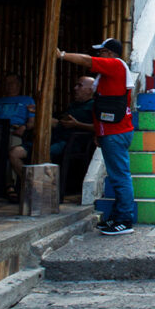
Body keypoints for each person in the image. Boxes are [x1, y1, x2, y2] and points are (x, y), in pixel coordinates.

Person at [54, 37, 135, 235]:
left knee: (120, 176)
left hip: (116, 133)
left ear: (110, 54)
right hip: (111, 133)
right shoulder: (107, 76)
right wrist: (99, 133)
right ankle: (118, 217)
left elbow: (87, 60)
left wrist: (62, 55)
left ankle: (125, 219)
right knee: (117, 176)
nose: (99, 55)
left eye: (102, 52)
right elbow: (101, 106)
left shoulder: (115, 65)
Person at [8, 76, 95, 188]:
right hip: (53, 140)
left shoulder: (94, 106)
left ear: (90, 90)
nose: (75, 88)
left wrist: (77, 124)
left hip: (69, 143)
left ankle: (43, 189)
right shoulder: (73, 105)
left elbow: (97, 128)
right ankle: (33, 187)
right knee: (14, 153)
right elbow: (58, 120)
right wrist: (39, 112)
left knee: (42, 155)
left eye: (80, 85)